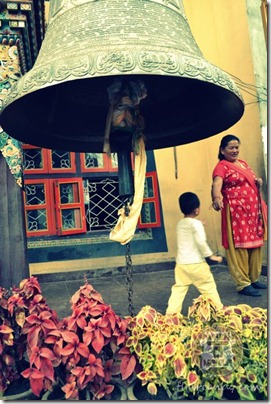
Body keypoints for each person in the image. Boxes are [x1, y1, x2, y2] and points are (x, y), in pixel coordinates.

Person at [211, 134, 267, 297]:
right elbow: (217, 184)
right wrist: (216, 198)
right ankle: (243, 284)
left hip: (252, 212)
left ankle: (253, 278)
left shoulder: (243, 163)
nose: (235, 150)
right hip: (236, 213)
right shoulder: (221, 166)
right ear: (222, 150)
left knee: (255, 245)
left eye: (237, 147)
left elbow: (250, 179)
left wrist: (258, 182)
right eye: (231, 148)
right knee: (240, 247)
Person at [166, 192, 223, 315]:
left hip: (181, 265)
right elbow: (201, 242)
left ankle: (171, 314)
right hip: (197, 264)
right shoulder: (196, 224)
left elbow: (189, 230)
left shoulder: (180, 224)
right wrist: (211, 256)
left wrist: (199, 224)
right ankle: (219, 310)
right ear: (197, 210)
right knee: (208, 287)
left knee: (179, 289)